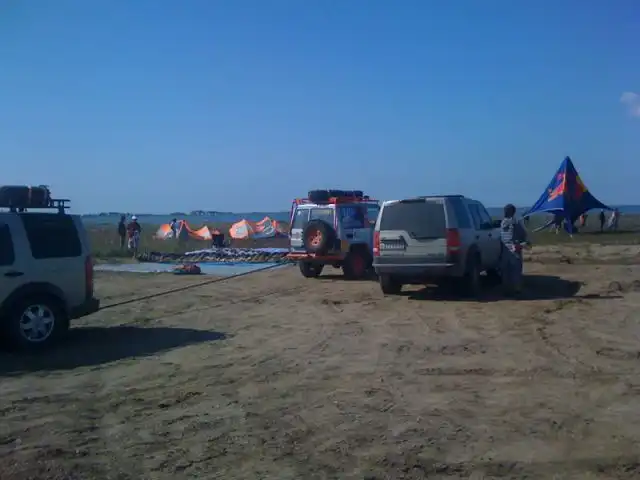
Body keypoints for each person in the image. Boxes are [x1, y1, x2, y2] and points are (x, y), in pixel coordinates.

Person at [500, 204, 529, 296]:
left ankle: (506, 289)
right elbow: (523, 234)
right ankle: (516, 289)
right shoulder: (515, 222)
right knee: (516, 270)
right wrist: (524, 242)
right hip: (514, 248)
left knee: (506, 271)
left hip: (505, 249)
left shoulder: (503, 222)